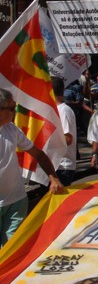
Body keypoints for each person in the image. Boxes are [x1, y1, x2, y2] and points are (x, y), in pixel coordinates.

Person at [0, 88, 64, 246]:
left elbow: (39, 155)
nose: (15, 112)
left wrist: (53, 178)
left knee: (12, 248)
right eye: (11, 108)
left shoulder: (12, 130)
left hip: (16, 201)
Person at [51, 77, 77, 186]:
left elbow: (68, 139)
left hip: (63, 167)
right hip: (54, 166)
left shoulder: (64, 111)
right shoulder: (53, 109)